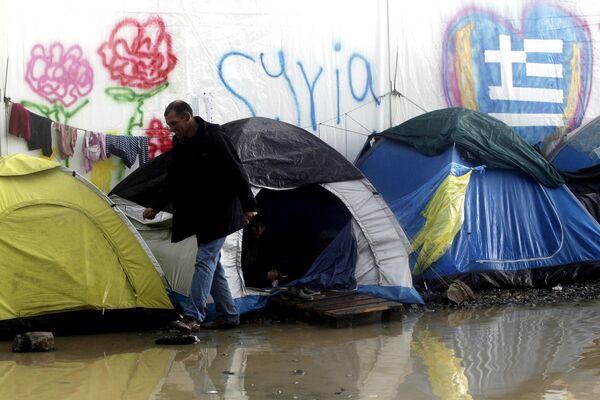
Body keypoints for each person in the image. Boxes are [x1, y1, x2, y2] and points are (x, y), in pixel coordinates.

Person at [143, 100, 257, 332]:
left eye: (174, 123)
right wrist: (155, 205)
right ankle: (228, 315)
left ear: (187, 117)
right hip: (200, 213)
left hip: (221, 211)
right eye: (169, 125)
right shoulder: (181, 143)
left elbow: (237, 170)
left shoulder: (215, 136)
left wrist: (249, 205)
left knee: (204, 260)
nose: (171, 128)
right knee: (213, 267)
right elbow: (173, 178)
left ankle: (192, 316)